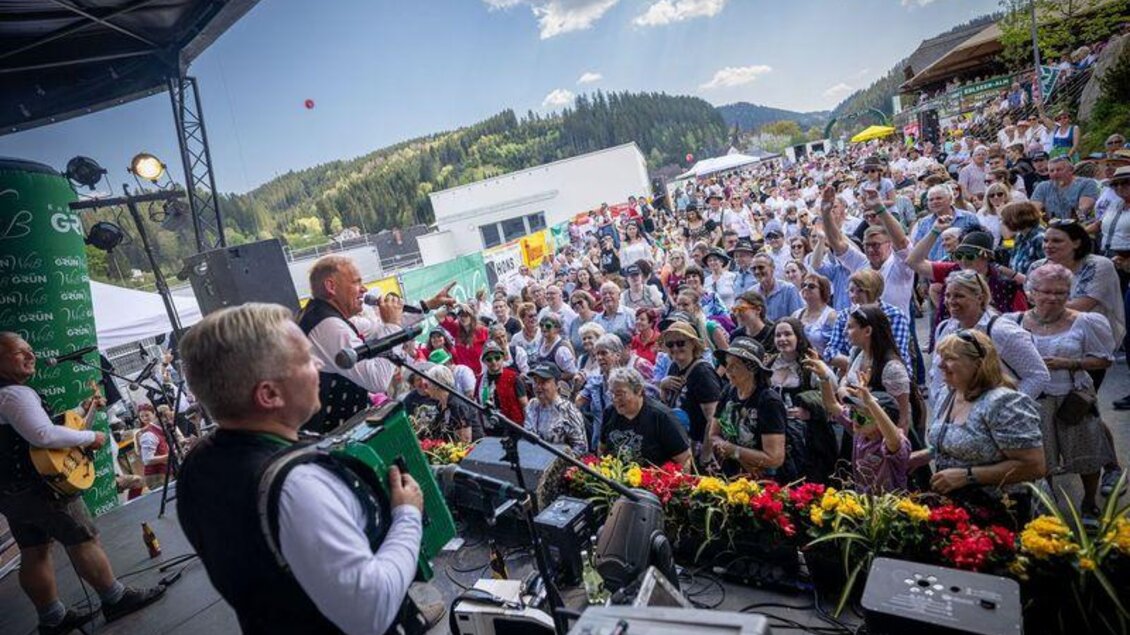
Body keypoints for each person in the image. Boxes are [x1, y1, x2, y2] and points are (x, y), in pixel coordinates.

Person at [176, 305, 440, 634]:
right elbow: (371, 611)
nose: (318, 364)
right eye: (304, 359)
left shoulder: (196, 465)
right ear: (269, 394)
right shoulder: (299, 487)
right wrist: (407, 516)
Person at [0, 333, 165, 634]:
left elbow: (32, 428)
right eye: (19, 352)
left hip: (11, 490)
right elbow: (44, 436)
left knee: (34, 550)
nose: (30, 355)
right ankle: (115, 599)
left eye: (30, 349)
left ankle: (52, 618)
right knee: (83, 539)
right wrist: (92, 436)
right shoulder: (14, 394)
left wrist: (80, 412)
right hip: (41, 487)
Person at [297, 255, 455, 432]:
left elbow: (377, 329)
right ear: (331, 286)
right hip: (327, 438)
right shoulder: (327, 326)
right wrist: (392, 325)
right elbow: (377, 379)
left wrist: (428, 305)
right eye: (356, 282)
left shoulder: (327, 318)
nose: (364, 289)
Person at [1014, 263, 1116, 516]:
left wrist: (1069, 363)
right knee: (1042, 457)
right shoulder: (1014, 323)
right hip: (1035, 401)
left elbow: (1104, 359)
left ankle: (1089, 503)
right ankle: (1048, 507)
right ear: (1031, 292)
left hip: (1074, 398)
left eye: (1061, 292)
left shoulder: (1086, 322)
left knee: (1086, 452)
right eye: (1046, 291)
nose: (1053, 297)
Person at [913, 330, 1046, 524]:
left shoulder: (1004, 403)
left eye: (949, 358)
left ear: (978, 363)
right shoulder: (948, 393)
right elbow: (956, 442)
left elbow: (1034, 465)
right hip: (958, 506)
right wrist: (920, 457)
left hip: (1002, 511)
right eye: (941, 358)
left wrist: (967, 476)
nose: (941, 365)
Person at [929, 270, 1049, 406]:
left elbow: (1038, 375)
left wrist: (1005, 409)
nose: (951, 301)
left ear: (979, 298)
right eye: (947, 295)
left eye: (959, 296)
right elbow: (938, 376)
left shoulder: (1002, 331)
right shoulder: (945, 329)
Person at [906, 229, 1028, 344]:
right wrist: (935, 231)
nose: (963, 261)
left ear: (986, 257)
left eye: (970, 256)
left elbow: (1022, 324)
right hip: (951, 344)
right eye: (958, 255)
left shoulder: (1006, 286)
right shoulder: (951, 270)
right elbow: (913, 261)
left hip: (994, 347)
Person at [1028, 220, 1125, 346]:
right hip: (1045, 337)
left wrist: (1040, 300)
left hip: (1091, 340)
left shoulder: (1099, 265)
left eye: (1057, 241)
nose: (1048, 245)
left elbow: (1081, 307)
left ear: (1076, 243)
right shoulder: (1037, 266)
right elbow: (1030, 303)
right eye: (1045, 240)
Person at [708, 337, 787, 480]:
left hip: (763, 482)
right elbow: (713, 434)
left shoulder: (769, 402)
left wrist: (733, 451)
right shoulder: (728, 391)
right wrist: (737, 455)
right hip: (730, 476)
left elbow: (775, 458)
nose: (728, 370)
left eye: (735, 366)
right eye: (727, 364)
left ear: (752, 369)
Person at [658, 322, 723, 464]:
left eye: (681, 343)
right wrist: (662, 388)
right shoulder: (674, 367)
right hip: (681, 445)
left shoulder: (703, 373)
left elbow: (713, 419)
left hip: (698, 446)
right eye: (670, 345)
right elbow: (666, 408)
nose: (675, 348)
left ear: (693, 344)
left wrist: (705, 457)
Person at [601, 367, 692, 468]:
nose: (615, 399)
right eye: (611, 394)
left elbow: (684, 458)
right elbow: (602, 448)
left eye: (619, 394)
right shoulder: (609, 413)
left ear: (639, 390)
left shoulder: (661, 417)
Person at [823, 270, 912, 370]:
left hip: (889, 376)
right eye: (851, 291)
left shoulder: (894, 315)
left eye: (860, 291)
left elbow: (898, 356)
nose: (854, 296)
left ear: (874, 291)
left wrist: (859, 366)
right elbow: (830, 352)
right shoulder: (844, 316)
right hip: (854, 378)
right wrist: (856, 365)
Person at [525, 363, 587, 454]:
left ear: (557, 384)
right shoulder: (532, 405)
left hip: (560, 464)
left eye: (543, 382)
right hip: (533, 461)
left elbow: (581, 447)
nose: (538, 386)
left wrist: (558, 463)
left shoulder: (567, 409)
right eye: (535, 381)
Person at [423, 365, 484, 442]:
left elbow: (465, 440)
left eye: (427, 385)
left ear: (437, 386)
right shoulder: (440, 405)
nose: (426, 389)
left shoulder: (458, 405)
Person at [1031, 157, 1099, 223]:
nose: (1055, 173)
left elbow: (1085, 207)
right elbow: (1033, 209)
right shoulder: (1042, 186)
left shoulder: (1086, 183)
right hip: (1052, 226)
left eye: (1059, 170)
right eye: (1051, 171)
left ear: (1071, 170)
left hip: (1080, 225)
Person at [476, 342, 527, 427]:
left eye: (497, 358)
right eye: (489, 359)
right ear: (484, 361)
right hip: (490, 427)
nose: (494, 362)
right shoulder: (480, 380)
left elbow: (525, 405)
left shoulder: (514, 377)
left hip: (514, 428)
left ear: (502, 358)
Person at [793, 273, 837, 358]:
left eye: (811, 286)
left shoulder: (831, 316)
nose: (806, 288)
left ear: (823, 290)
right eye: (803, 285)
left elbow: (835, 349)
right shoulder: (796, 314)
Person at [440, 304, 489, 377]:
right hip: (465, 375)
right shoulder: (456, 329)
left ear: (471, 316)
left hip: (482, 374)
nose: (463, 318)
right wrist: (457, 305)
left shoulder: (483, 331)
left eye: (466, 315)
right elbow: (438, 316)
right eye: (460, 315)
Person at [750, 253, 803, 321]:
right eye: (753, 269)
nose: (757, 271)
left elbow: (797, 320)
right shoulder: (751, 293)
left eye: (761, 267)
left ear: (772, 268)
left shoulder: (789, 290)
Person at [1000, 201, 1046, 275]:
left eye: (1005, 220)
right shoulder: (1020, 236)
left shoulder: (1040, 238)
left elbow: (1047, 266)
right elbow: (1007, 249)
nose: (1003, 223)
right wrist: (1007, 238)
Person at [135, 403, 170, 491]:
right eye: (142, 416)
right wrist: (168, 456)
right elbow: (147, 460)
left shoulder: (159, 430)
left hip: (165, 472)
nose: (145, 418)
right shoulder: (148, 434)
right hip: (157, 477)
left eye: (147, 415)